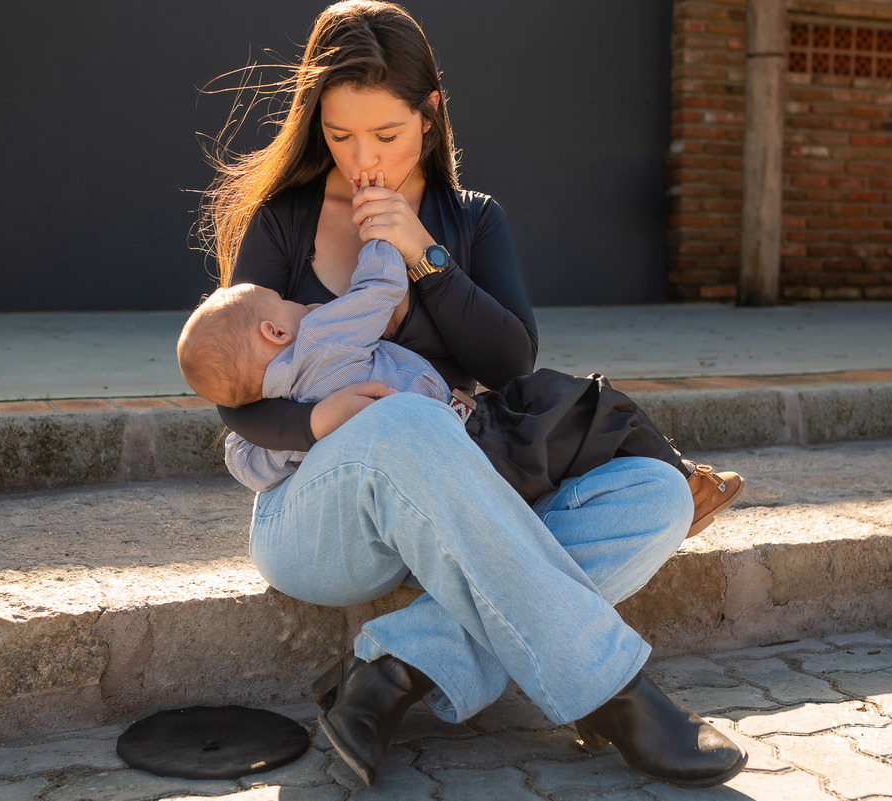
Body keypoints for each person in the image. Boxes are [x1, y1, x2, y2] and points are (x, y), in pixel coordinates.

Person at [196, 0, 747, 788]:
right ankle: (615, 693)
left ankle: (389, 674)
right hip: (317, 519)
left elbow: (511, 361)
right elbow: (233, 394)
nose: (362, 160)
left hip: (456, 499)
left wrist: (424, 254)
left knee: (656, 496)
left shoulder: (472, 221)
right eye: (339, 134)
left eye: (385, 134)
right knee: (409, 422)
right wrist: (322, 416)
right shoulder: (284, 222)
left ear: (430, 115)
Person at [177, 235, 744, 536]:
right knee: (583, 401)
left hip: (427, 476)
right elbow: (377, 289)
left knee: (546, 428)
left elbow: (245, 458)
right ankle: (681, 479)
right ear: (275, 330)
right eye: (289, 302)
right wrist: (381, 232)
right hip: (471, 446)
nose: (303, 301)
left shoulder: (261, 432)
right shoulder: (321, 338)